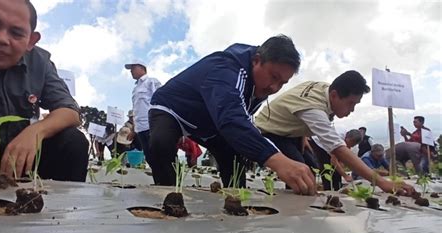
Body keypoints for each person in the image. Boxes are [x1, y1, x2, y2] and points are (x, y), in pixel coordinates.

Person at [149, 35, 316, 195]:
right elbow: (231, 119)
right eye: (274, 77)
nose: (274, 87)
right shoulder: (226, 69)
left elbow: (242, 123)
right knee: (160, 143)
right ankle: (167, 198)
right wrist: (279, 162)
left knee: (235, 157)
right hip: (174, 109)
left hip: (211, 122)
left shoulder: (260, 86)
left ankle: (235, 202)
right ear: (256, 60)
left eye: (282, 83)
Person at [0, 0, 88, 181]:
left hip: (20, 164)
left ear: (31, 40)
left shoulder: (40, 63)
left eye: (16, 33)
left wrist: (36, 132)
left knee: (72, 141)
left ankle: (63, 207)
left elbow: (70, 111)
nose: (1, 38)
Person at [254, 70, 414, 194]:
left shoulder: (325, 89)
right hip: (270, 130)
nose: (352, 110)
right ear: (334, 95)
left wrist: (302, 134)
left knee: (311, 166)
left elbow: (294, 104)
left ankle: (299, 200)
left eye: (356, 104)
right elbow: (339, 149)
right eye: (351, 103)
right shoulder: (314, 108)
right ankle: (293, 213)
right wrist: (382, 182)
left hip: (292, 132)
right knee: (300, 171)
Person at [124, 60, 161, 166]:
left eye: (133, 68)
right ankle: (158, 182)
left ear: (142, 68)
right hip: (140, 128)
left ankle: (168, 182)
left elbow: (160, 100)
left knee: (159, 156)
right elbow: (136, 110)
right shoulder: (135, 89)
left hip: (151, 125)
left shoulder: (151, 82)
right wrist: (134, 129)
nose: (131, 71)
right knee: (149, 157)